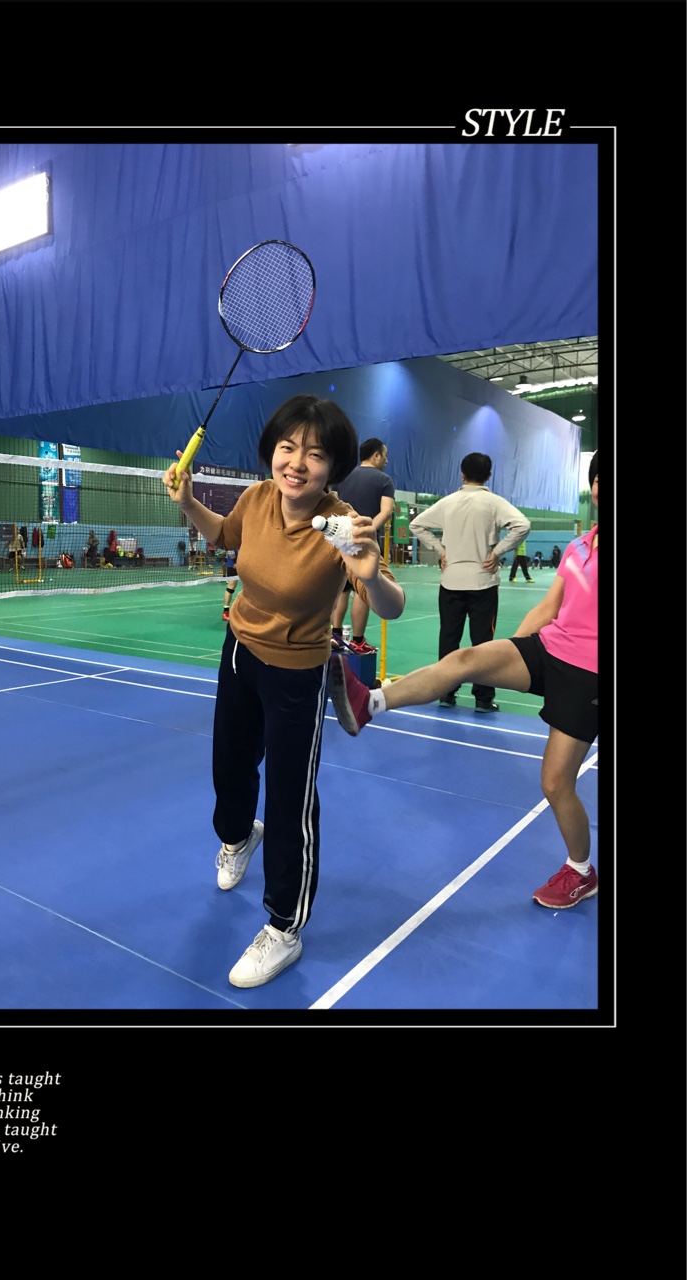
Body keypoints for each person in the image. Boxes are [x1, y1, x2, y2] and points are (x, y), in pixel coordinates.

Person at [163, 394, 405, 988]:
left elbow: (392, 606)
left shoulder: (343, 525)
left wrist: (371, 574)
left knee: (290, 798)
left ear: (334, 466)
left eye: (314, 454)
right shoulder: (256, 498)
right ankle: (238, 838)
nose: (297, 463)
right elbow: (224, 534)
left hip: (297, 674)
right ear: (272, 450)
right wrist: (188, 500)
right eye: (287, 447)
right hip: (240, 652)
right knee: (229, 767)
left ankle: (284, 927)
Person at [329, 451, 599, 912]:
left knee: (555, 783)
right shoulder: (579, 547)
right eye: (600, 479)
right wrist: (515, 649)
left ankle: (580, 870)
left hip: (590, 674)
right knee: (465, 658)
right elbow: (548, 608)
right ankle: (369, 703)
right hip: (549, 649)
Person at [409, 453, 530, 713]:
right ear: (489, 475)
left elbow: (416, 525)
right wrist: (497, 552)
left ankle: (445, 693)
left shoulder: (447, 502)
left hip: (451, 581)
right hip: (483, 583)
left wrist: (440, 549)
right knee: (483, 644)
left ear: (462, 475)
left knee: (448, 638)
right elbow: (522, 525)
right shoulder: (495, 503)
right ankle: (483, 699)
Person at [329, 438, 395, 655]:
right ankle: (357, 641)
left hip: (341, 539)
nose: (386, 460)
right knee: (362, 590)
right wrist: (367, 532)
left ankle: (335, 635)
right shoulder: (384, 480)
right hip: (365, 544)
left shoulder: (344, 476)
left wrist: (345, 532)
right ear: (376, 455)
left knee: (341, 588)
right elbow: (386, 511)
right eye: (385, 455)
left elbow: (333, 503)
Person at [222, 549, 238, 621]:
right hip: (233, 565)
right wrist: (235, 562)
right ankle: (226, 612)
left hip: (244, 564)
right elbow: (230, 550)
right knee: (231, 586)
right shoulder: (232, 542)